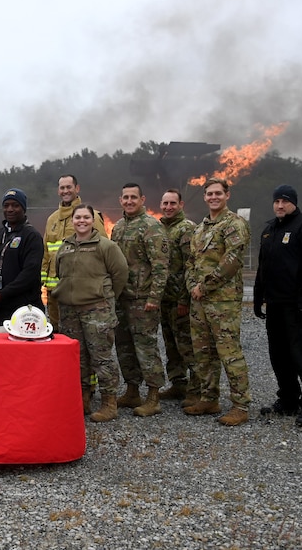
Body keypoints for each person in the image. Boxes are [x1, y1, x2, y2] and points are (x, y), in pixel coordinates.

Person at [254, 184, 302, 428]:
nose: (280, 205)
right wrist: (258, 298)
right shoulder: (269, 230)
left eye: (285, 201)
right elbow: (263, 268)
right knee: (280, 357)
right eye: (276, 201)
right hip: (275, 306)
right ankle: (288, 400)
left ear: (294, 203)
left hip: (299, 308)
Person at [184, 177, 252, 426]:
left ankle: (240, 405)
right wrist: (193, 286)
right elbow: (191, 261)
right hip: (199, 300)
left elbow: (232, 260)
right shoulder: (200, 229)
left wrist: (205, 285)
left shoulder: (234, 224)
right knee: (203, 353)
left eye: (217, 193)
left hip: (222, 302)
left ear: (227, 195)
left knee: (229, 353)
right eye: (209, 194)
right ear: (204, 197)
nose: (213, 197)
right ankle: (209, 397)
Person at [54, 204, 128, 422]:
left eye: (86, 217)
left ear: (93, 221)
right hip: (69, 310)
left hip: (97, 310)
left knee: (101, 357)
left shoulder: (106, 246)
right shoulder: (65, 246)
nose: (82, 221)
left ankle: (109, 402)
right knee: (77, 358)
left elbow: (120, 273)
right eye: (78, 217)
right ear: (73, 220)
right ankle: (83, 398)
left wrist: (105, 295)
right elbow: (60, 273)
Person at [110, 183, 169, 417]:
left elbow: (161, 266)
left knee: (146, 347)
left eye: (134, 197)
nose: (129, 201)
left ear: (142, 199)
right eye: (126, 197)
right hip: (122, 297)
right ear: (120, 200)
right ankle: (132, 390)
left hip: (143, 299)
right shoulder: (118, 227)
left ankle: (153, 396)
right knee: (124, 347)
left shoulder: (152, 227)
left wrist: (154, 297)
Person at [42, 175, 106, 328]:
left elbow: (103, 250)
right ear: (58, 190)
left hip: (81, 290)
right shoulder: (52, 219)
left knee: (81, 335)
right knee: (56, 333)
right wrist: (43, 282)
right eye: (62, 188)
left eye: (69, 187)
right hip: (55, 290)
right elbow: (45, 253)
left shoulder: (91, 216)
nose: (65, 191)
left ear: (77, 188)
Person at [158, 189, 199, 406]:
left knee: (187, 345)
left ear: (181, 204)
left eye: (173, 203)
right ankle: (178, 383)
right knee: (171, 344)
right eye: (165, 203)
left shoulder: (187, 229)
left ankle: (196, 388)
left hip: (179, 299)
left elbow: (190, 267)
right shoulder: (159, 228)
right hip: (163, 298)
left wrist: (185, 299)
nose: (168, 207)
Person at [0, 189, 44, 324]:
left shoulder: (31, 236)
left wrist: (1, 294)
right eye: (6, 206)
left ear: (23, 208)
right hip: (2, 306)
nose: (10, 209)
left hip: (25, 308)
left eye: (15, 205)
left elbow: (29, 273)